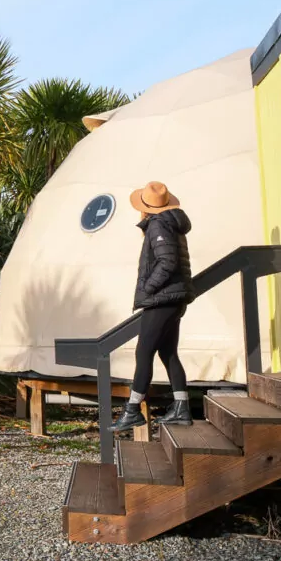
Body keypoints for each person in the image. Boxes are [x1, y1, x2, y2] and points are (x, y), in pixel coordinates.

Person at [110, 181, 195, 432]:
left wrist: (148, 289)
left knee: (143, 353)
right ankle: (182, 408)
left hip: (162, 300)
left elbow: (167, 262)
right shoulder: (172, 225)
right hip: (174, 299)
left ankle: (132, 410)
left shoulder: (158, 224)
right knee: (168, 353)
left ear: (146, 209)